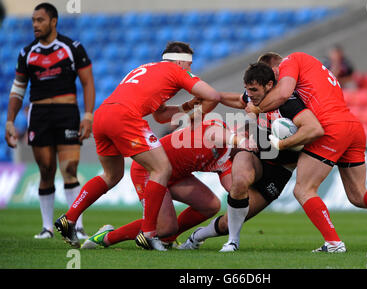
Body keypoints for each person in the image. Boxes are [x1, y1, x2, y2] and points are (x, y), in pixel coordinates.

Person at [246, 51, 367, 252]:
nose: (272, 83)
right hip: (352, 126)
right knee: (358, 194)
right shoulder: (317, 70)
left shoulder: (291, 61)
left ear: (275, 68)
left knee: (303, 189)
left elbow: (283, 93)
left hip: (330, 128)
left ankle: (333, 243)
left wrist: (258, 109)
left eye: (272, 77)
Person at [54, 41, 221, 250]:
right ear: (180, 61)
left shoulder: (148, 69)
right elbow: (213, 95)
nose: (190, 70)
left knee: (111, 175)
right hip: (125, 117)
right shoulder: (175, 70)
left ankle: (69, 218)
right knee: (162, 168)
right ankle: (149, 234)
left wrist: (187, 107)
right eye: (189, 65)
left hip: (103, 115)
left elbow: (160, 116)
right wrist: (196, 117)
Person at [179, 62, 324, 252]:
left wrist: (282, 144)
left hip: (278, 171)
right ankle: (233, 242)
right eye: (248, 89)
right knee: (240, 180)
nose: (250, 94)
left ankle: (197, 236)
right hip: (254, 153)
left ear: (269, 86)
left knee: (227, 223)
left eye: (254, 90)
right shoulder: (252, 97)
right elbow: (239, 100)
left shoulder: (289, 105)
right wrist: (214, 96)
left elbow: (315, 129)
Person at [80, 118, 251, 249]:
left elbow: (237, 191)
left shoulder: (228, 162)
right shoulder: (218, 127)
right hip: (148, 169)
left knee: (211, 205)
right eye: (244, 136)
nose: (246, 148)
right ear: (237, 131)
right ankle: (106, 237)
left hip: (173, 175)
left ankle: (167, 238)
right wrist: (242, 141)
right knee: (165, 226)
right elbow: (214, 134)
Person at [4, 3, 95, 240]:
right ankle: (47, 227)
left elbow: (87, 82)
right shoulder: (26, 53)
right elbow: (18, 88)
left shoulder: (73, 48)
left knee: (70, 169)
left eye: (40, 20)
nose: (35, 24)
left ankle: (76, 225)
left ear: (53, 21)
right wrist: (10, 121)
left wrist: (88, 115)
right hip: (39, 115)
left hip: (67, 113)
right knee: (46, 170)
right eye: (33, 20)